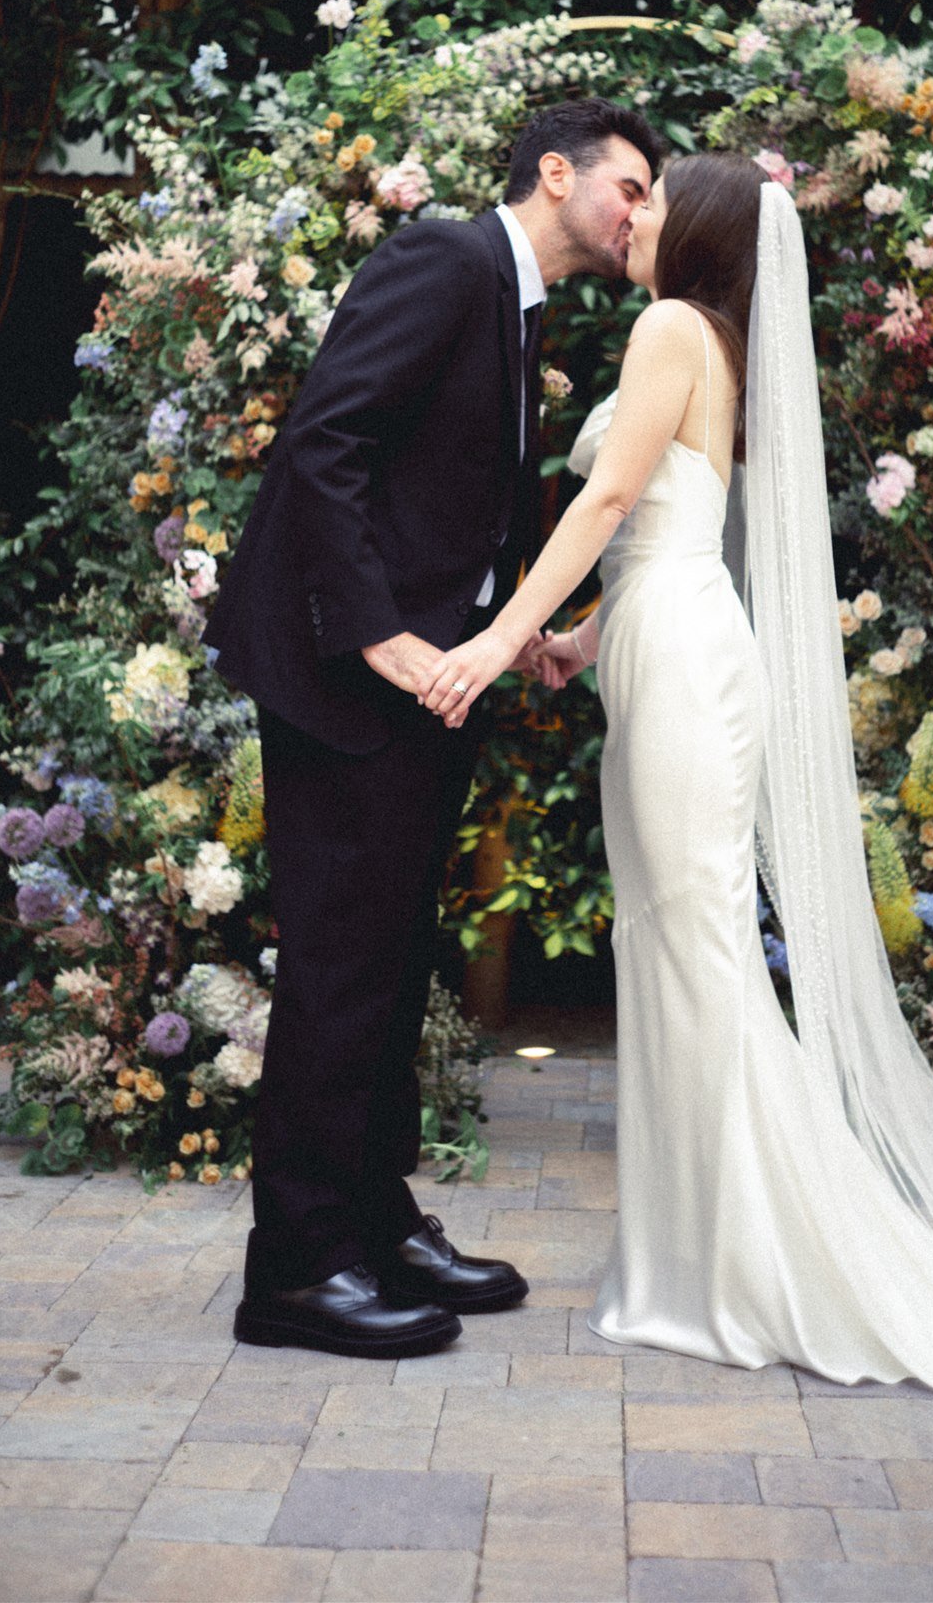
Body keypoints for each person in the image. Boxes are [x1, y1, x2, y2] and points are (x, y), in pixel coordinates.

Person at [421, 152, 933, 1408]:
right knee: (679, 950)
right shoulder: (711, 337)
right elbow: (666, 534)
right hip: (667, 646)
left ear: (699, 233)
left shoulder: (672, 326)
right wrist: (576, 640)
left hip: (687, 669)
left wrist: (488, 636)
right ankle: (695, 1258)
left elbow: (616, 497)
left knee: (699, 956)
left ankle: (749, 1267)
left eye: (655, 200)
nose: (633, 215)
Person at [204, 96, 665, 1359]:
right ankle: (294, 1270)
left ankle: (373, 1216)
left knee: (394, 959)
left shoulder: (518, 303)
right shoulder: (444, 260)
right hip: (349, 682)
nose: (640, 213)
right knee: (343, 969)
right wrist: (372, 634)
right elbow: (325, 446)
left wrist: (526, 636)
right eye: (629, 186)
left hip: (426, 688)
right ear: (555, 174)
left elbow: (463, 497)